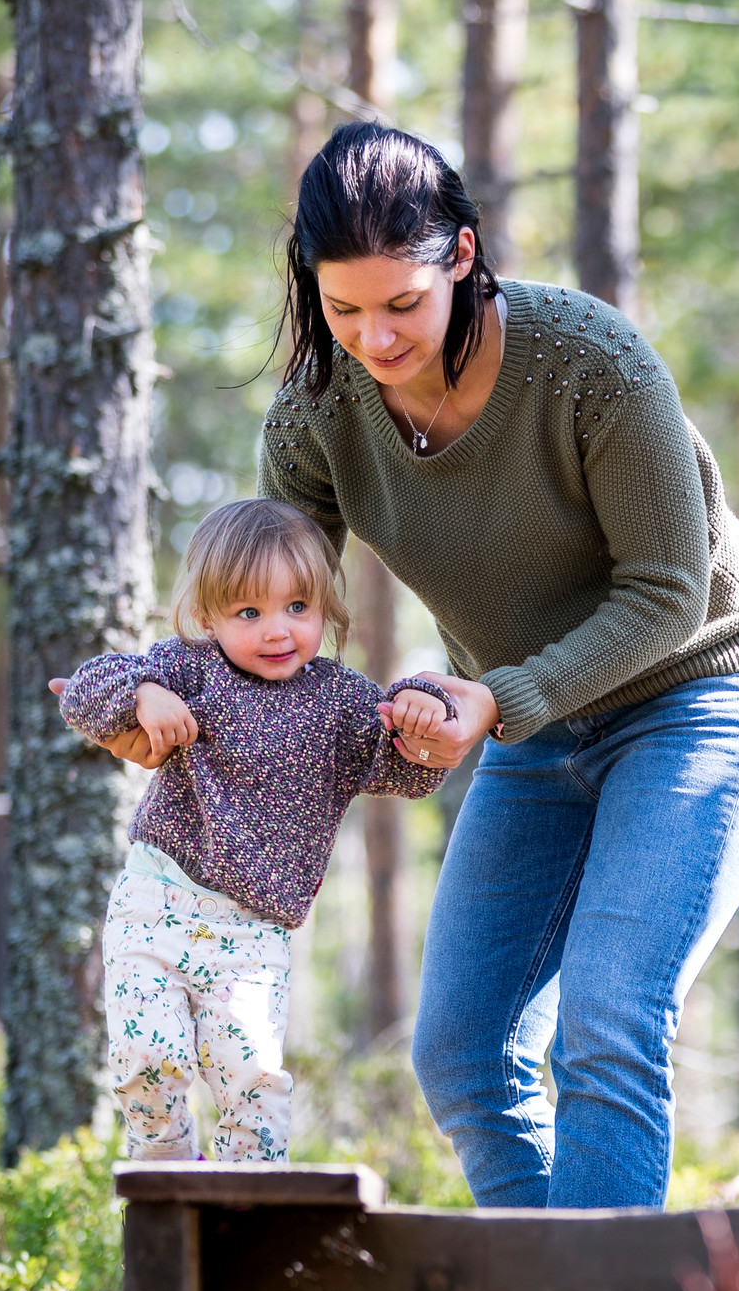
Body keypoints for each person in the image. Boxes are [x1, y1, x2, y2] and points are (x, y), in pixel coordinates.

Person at [81, 122, 739, 1291]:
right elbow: (267, 627)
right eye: (343, 309)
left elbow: (666, 590)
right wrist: (161, 717)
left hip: (701, 692)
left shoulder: (590, 366)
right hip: (522, 719)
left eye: (404, 302)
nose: (378, 337)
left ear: (463, 256)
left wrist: (493, 699)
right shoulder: (317, 411)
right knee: (464, 1052)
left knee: (610, 1015)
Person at [58, 496, 452, 1165]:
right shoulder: (190, 667)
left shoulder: (342, 700)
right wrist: (142, 696)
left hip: (253, 933)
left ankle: (248, 1213)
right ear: (209, 618)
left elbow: (408, 772)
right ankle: (166, 1184)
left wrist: (424, 708)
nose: (277, 630)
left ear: (324, 605)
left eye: (297, 607)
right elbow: (86, 688)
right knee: (148, 1059)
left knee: (253, 1083)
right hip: (159, 903)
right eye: (249, 612)